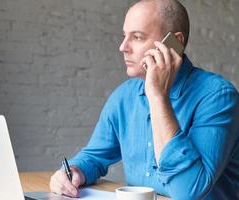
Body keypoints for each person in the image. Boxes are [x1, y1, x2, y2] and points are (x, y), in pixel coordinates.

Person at [49, 0, 239, 199]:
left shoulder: (218, 97)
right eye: (124, 36)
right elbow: (94, 156)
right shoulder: (123, 97)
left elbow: (188, 191)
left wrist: (157, 96)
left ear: (174, 43)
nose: (123, 47)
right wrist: (75, 171)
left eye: (137, 37)